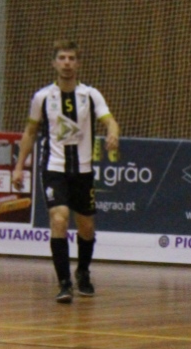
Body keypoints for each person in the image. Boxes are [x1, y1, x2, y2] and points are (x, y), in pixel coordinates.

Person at [12, 40, 119, 304]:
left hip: (82, 171)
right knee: (59, 219)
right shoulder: (42, 97)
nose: (67, 63)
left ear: (78, 64)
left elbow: (109, 120)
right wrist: (18, 166)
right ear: (54, 63)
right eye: (62, 58)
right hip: (53, 169)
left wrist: (113, 134)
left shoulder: (91, 95)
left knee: (86, 226)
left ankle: (82, 272)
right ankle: (63, 283)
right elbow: (30, 132)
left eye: (72, 58)